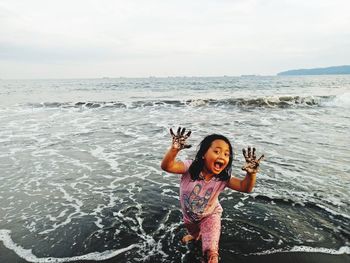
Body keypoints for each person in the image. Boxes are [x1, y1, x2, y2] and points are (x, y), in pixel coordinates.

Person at [161, 127, 264, 263]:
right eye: (217, 151)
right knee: (194, 233)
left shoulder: (223, 178)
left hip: (211, 215)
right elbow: (167, 166)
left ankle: (210, 254)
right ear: (203, 154)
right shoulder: (190, 167)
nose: (222, 156)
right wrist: (174, 149)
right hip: (189, 217)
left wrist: (251, 174)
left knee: (210, 252)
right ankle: (196, 235)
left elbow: (245, 188)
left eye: (227, 154)